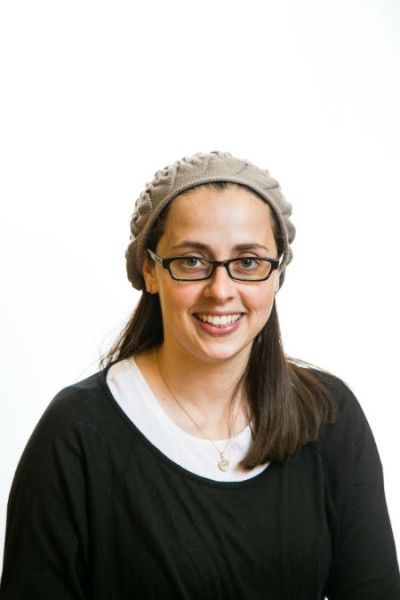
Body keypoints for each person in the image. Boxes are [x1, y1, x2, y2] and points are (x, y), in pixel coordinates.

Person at [1, 151, 399, 599]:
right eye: (192, 261)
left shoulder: (328, 416)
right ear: (150, 271)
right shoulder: (76, 433)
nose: (221, 290)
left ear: (277, 274)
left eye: (247, 262)